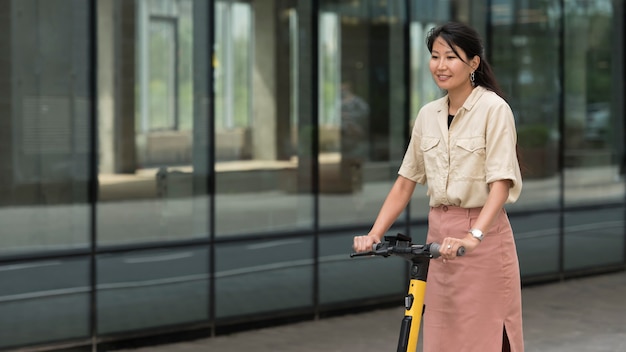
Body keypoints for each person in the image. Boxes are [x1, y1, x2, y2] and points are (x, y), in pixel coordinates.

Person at [352, 22, 524, 352]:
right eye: (434, 56)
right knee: (440, 339)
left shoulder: (494, 109)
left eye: (451, 57)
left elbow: (501, 184)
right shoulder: (427, 115)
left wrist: (473, 237)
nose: (440, 66)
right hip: (438, 243)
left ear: (473, 63)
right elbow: (405, 183)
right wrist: (375, 233)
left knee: (485, 339)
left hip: (482, 240)